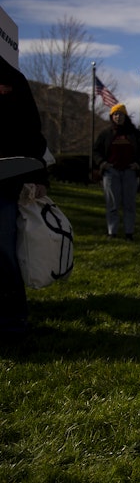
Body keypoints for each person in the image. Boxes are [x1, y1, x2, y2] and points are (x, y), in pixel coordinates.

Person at [0, 56, 48, 342]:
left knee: (4, 254)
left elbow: (32, 132)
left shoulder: (12, 79)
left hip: (4, 184)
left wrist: (39, 176)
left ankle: (12, 325)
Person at [93, 103, 140, 240]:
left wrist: (138, 164)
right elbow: (96, 151)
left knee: (129, 204)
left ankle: (129, 233)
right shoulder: (106, 134)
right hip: (111, 172)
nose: (118, 117)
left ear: (125, 116)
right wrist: (102, 163)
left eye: (121, 114)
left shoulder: (134, 134)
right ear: (112, 117)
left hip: (129, 172)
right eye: (115, 114)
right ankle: (112, 232)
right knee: (112, 204)